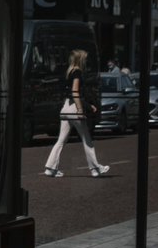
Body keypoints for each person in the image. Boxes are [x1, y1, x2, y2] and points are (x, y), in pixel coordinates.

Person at [43, 47, 110, 178]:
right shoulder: (78, 72)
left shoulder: (68, 72)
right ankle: (95, 169)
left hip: (65, 107)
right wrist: (80, 109)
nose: (86, 61)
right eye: (85, 59)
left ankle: (50, 168)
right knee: (86, 139)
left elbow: (70, 93)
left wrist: (88, 105)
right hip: (74, 107)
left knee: (61, 140)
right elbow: (75, 92)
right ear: (80, 60)